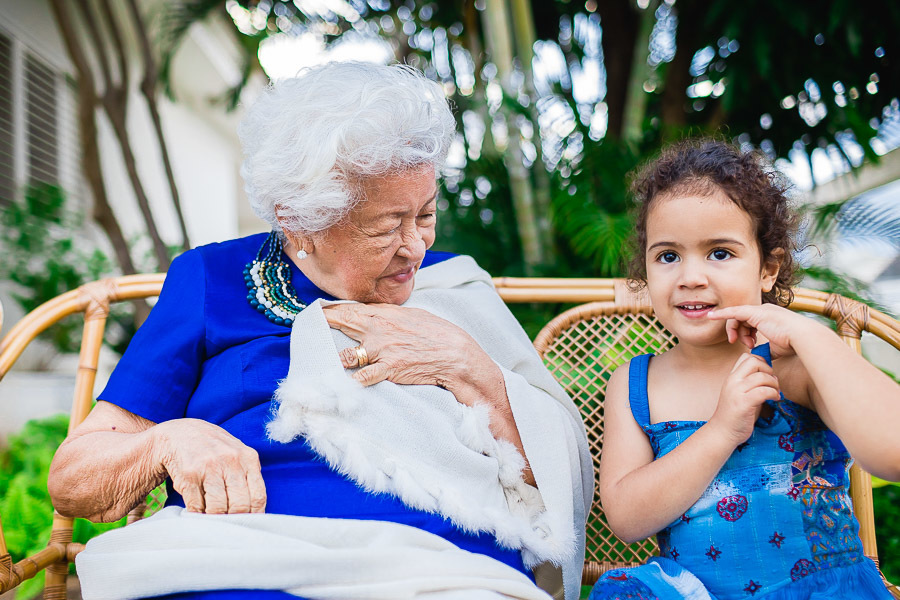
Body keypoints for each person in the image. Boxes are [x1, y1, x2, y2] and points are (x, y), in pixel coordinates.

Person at [48, 62, 592, 600]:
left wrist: (469, 367)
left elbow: (551, 481)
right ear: (299, 221)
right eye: (385, 226)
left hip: (445, 567)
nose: (416, 246)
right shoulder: (211, 281)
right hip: (237, 560)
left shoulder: (455, 289)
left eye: (425, 214)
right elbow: (73, 481)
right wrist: (167, 441)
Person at [588, 140, 900, 600]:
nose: (691, 276)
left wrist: (810, 335)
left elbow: (892, 451)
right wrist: (720, 430)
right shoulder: (637, 383)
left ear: (768, 270)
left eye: (719, 253)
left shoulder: (797, 366)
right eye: (668, 256)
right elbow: (627, 519)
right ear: (646, 272)